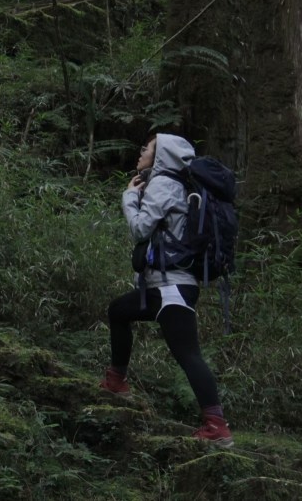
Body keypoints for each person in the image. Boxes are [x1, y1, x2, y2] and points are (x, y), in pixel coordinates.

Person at [99, 133, 234, 447]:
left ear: (161, 156)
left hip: (171, 288)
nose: (141, 153)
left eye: (146, 148)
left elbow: (140, 229)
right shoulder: (179, 185)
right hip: (168, 286)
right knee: (118, 310)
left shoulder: (163, 184)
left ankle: (217, 427)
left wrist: (129, 196)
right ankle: (116, 381)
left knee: (188, 355)